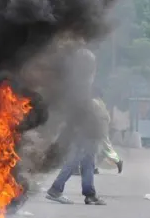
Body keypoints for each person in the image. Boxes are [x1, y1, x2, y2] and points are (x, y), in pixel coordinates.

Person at [45, 48, 106, 206]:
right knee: (73, 162)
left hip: (89, 131)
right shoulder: (80, 85)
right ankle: (55, 189)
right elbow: (78, 110)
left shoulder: (82, 83)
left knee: (88, 163)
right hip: (84, 131)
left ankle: (90, 194)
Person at [92, 92, 123, 174]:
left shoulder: (94, 102)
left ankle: (117, 161)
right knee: (98, 148)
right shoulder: (100, 102)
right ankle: (94, 167)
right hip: (101, 125)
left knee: (104, 146)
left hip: (99, 126)